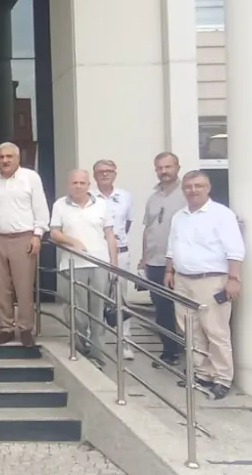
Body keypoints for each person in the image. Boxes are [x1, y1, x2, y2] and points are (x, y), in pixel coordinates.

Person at [165, 171, 245, 400]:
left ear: (208, 188)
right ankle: (201, 373)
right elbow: (172, 246)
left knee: (216, 331)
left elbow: (235, 249)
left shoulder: (222, 214)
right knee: (191, 330)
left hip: (211, 281)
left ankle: (222, 378)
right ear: (183, 190)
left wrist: (234, 278)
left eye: (198, 186)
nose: (193, 190)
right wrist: (169, 271)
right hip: (182, 280)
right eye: (188, 187)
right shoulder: (179, 216)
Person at [0, 142, 50, 347]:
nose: (5, 160)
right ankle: (6, 328)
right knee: (1, 287)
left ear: (18, 158)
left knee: (23, 287)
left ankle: (25, 329)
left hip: (23, 238)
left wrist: (37, 235)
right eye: (1, 157)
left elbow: (40, 208)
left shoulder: (31, 178)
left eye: (9, 156)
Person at [49, 170, 119, 357]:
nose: (78, 186)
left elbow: (110, 235)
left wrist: (114, 265)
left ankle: (97, 352)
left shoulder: (102, 205)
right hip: (72, 264)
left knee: (98, 310)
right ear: (69, 185)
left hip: (99, 264)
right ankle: (80, 348)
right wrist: (72, 241)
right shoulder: (60, 205)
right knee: (76, 311)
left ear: (89, 185)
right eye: (74, 183)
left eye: (82, 183)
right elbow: (54, 233)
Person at [140, 151, 187, 368]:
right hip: (155, 262)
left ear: (177, 167)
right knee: (162, 309)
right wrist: (144, 258)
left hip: (180, 263)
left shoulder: (187, 193)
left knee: (183, 310)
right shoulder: (153, 197)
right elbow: (148, 229)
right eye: (159, 168)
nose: (163, 171)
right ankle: (170, 351)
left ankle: (192, 354)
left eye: (168, 167)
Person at [91, 158, 135, 358]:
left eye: (109, 171)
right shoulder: (89, 196)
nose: (105, 174)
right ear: (94, 175)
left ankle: (124, 342)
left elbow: (128, 224)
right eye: (100, 171)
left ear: (115, 174)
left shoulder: (125, 196)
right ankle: (95, 338)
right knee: (96, 296)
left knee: (120, 298)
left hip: (121, 253)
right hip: (97, 253)